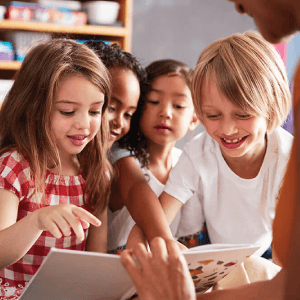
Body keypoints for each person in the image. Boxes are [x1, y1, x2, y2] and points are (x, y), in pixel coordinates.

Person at [122, 0, 300, 299]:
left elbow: (287, 272)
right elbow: (153, 221)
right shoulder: (199, 152)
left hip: (268, 257)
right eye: (213, 116)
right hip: (219, 259)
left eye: (243, 115)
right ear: (199, 114)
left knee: (259, 268)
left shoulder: (286, 157)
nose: (227, 130)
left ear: (271, 109)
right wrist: (144, 253)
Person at [0, 38, 112, 299]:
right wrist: (36, 221)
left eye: (95, 112)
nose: (84, 125)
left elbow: (96, 261)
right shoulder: (15, 166)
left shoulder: (96, 171)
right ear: (35, 109)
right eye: (68, 111)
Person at [107, 59, 199, 253]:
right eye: (154, 102)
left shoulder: (187, 162)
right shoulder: (120, 157)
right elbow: (136, 188)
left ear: (194, 119)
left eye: (179, 105)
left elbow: (189, 236)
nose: (165, 112)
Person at [84, 41, 147, 251]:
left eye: (128, 114)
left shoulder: (102, 172)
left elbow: (96, 254)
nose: (120, 122)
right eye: (111, 107)